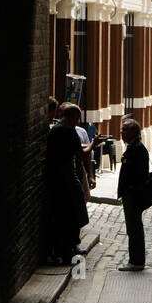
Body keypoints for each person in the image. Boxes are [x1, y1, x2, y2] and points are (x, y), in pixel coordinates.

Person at [46, 102, 90, 264]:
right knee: (70, 216)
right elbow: (80, 153)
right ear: (72, 116)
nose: (78, 122)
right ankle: (67, 252)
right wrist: (93, 144)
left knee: (65, 216)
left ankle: (68, 249)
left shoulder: (58, 128)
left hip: (58, 180)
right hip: (65, 180)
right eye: (77, 118)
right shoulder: (67, 130)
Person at [117, 115, 150, 270]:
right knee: (133, 228)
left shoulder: (137, 149)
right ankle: (136, 260)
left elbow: (139, 174)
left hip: (133, 195)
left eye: (124, 130)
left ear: (133, 132)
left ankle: (136, 262)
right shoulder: (133, 147)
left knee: (134, 228)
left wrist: (130, 191)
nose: (121, 132)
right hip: (131, 194)